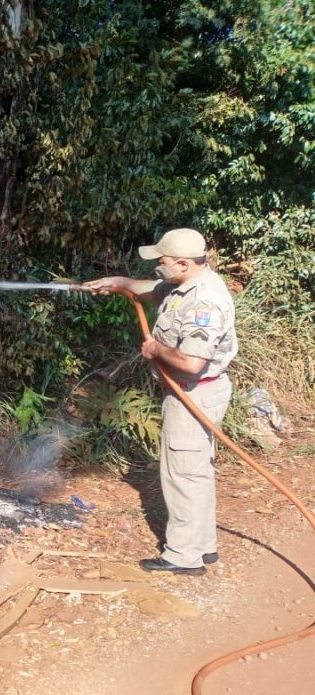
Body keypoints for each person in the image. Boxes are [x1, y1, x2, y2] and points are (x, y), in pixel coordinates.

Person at [84, 228, 238, 575]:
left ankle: (184, 557)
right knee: (195, 471)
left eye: (163, 261)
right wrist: (115, 281)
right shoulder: (182, 284)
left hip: (193, 393)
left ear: (183, 263)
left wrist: (156, 349)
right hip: (190, 391)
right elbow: (145, 288)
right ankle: (203, 547)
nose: (158, 266)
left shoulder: (205, 301)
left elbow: (191, 362)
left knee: (182, 474)